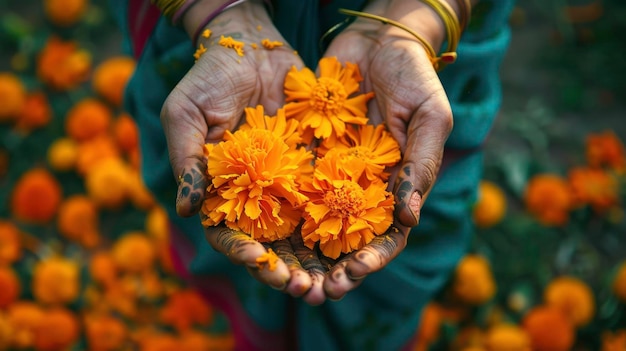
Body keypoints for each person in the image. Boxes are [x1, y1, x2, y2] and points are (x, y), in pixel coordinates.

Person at [111, 0, 515, 349]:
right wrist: (223, 15)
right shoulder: (280, 160)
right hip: (206, 29)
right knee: (238, 263)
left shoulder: (350, 169)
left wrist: (411, 23)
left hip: (417, 21)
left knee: (412, 237)